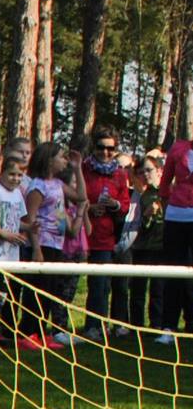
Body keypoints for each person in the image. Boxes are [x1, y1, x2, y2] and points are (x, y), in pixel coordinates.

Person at [21, 141, 76, 350]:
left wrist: (78, 170)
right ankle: (28, 332)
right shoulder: (37, 186)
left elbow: (80, 197)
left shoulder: (58, 184)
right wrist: (36, 249)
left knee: (50, 290)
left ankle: (41, 332)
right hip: (42, 243)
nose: (64, 160)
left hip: (56, 243)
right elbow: (31, 218)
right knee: (37, 289)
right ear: (49, 160)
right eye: (61, 156)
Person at [80, 126, 132, 340]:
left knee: (101, 285)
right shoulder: (83, 169)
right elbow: (72, 197)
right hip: (80, 234)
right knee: (66, 283)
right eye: (101, 147)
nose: (105, 152)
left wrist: (115, 204)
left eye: (110, 149)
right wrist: (88, 208)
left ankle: (97, 326)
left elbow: (125, 205)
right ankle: (58, 327)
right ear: (94, 147)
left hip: (105, 236)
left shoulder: (120, 174)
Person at [118, 149, 167, 333]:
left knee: (158, 289)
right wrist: (146, 215)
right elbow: (138, 226)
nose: (146, 175)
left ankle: (157, 325)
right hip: (141, 247)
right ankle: (136, 326)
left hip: (161, 248)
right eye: (142, 171)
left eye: (149, 170)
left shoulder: (167, 193)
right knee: (138, 289)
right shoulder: (141, 196)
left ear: (159, 171)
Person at [0, 151, 31, 348]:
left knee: (5, 295)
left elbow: (16, 221)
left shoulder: (18, 194)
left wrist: (29, 228)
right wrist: (4, 234)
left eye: (19, 175)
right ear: (2, 173)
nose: (15, 179)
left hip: (12, 254)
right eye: (12, 174)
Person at [161, 138, 193, 345]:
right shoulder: (178, 148)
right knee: (172, 271)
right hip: (176, 216)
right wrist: (168, 205)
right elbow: (165, 182)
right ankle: (168, 326)